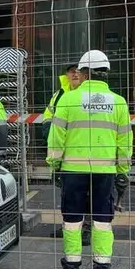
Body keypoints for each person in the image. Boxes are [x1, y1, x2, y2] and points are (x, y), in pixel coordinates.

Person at [47, 50, 132, 269]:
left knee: (72, 219)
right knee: (103, 220)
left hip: (73, 171)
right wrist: (123, 170)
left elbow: (56, 138)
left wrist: (54, 164)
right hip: (105, 173)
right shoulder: (118, 102)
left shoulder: (68, 99)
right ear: (106, 74)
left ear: (83, 73)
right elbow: (125, 142)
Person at [45, 63, 92, 245]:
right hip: (64, 153)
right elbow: (48, 119)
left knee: (87, 194)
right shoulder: (59, 96)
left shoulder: (88, 95)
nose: (75, 74)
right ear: (66, 74)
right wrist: (49, 137)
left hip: (87, 154)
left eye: (78, 71)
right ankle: (69, 225)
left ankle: (86, 227)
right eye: (71, 71)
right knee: (67, 194)